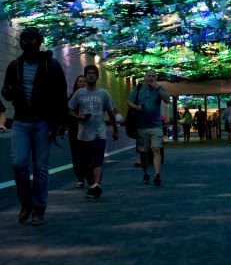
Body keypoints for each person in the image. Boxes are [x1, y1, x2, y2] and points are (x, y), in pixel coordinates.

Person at [1, 27, 67, 225]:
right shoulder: (14, 66)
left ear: (39, 41)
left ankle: (39, 208)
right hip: (21, 121)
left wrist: (61, 122)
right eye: (25, 39)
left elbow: (61, 94)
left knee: (40, 168)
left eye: (32, 39)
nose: (28, 43)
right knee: (18, 163)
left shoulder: (51, 65)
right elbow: (6, 93)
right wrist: (11, 90)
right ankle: (26, 203)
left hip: (43, 121)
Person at [67, 64, 119, 199]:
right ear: (85, 75)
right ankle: (92, 185)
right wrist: (78, 117)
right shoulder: (79, 93)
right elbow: (69, 109)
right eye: (88, 73)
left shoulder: (103, 93)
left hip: (99, 133)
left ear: (97, 76)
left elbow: (111, 112)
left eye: (93, 73)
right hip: (83, 134)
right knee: (86, 164)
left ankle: (96, 185)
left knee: (97, 161)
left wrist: (115, 129)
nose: (90, 75)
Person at [127, 70, 170, 186]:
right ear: (145, 77)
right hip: (142, 126)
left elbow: (167, 100)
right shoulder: (139, 88)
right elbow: (129, 102)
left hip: (156, 125)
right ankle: (146, 172)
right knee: (143, 152)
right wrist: (136, 107)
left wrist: (157, 88)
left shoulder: (159, 88)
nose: (151, 78)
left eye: (153, 76)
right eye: (148, 76)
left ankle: (157, 174)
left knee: (156, 149)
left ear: (156, 78)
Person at [67, 75, 87, 188]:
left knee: (86, 154)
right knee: (76, 155)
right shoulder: (72, 97)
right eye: (80, 81)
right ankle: (80, 178)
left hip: (88, 129)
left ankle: (88, 177)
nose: (83, 83)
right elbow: (67, 111)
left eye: (84, 81)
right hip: (74, 129)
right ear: (76, 84)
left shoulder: (91, 96)